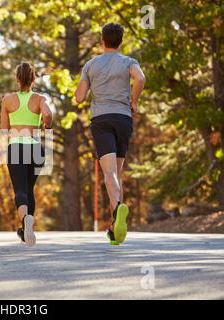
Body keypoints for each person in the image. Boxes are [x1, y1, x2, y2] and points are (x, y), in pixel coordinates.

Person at [75, 23, 146, 245]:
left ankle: (117, 210)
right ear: (120, 41)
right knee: (116, 174)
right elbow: (140, 78)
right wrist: (133, 101)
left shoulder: (91, 64)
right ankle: (115, 229)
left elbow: (79, 97)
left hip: (101, 120)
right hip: (123, 118)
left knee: (109, 174)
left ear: (102, 40)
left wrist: (85, 84)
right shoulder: (128, 62)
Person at [1, 62, 54, 246]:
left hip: (16, 146)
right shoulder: (39, 98)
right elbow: (48, 114)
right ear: (33, 79)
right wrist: (47, 125)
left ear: (17, 79)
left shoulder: (8, 100)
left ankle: (25, 221)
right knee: (29, 189)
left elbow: (3, 129)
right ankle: (26, 229)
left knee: (20, 190)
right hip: (35, 148)